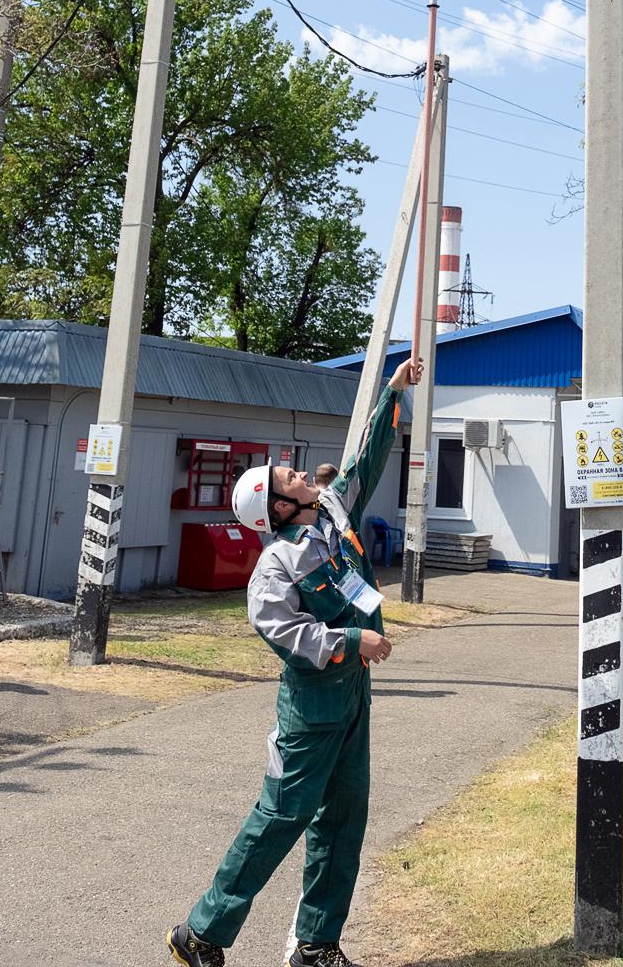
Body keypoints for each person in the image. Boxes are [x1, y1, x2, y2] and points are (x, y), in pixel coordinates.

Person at [168, 356, 423, 967]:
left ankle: (316, 945)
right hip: (313, 704)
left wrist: (393, 391)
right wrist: (348, 641)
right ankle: (201, 933)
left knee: (343, 820)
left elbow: (364, 459)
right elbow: (280, 629)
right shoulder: (276, 566)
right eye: (292, 479)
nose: (305, 475)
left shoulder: (334, 512)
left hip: (354, 697)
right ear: (279, 510)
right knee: (282, 815)